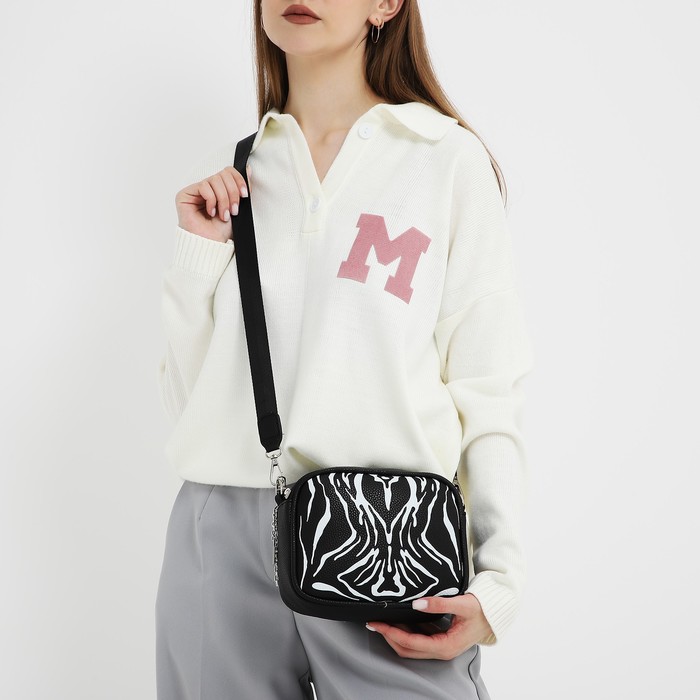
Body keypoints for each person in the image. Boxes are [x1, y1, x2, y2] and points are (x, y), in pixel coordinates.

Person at [155, 1, 535, 698]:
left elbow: (487, 384)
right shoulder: (235, 176)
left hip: (389, 536)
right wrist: (198, 257)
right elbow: (192, 405)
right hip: (221, 528)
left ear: (385, 4)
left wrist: (499, 582)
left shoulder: (444, 160)